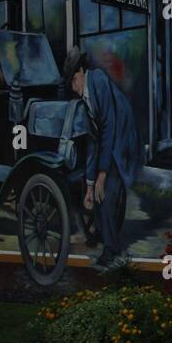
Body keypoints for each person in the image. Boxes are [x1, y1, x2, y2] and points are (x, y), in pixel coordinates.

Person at [62, 47, 142, 272]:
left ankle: (112, 250)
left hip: (123, 141)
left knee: (106, 194)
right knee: (96, 191)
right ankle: (102, 231)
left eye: (73, 80)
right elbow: (92, 144)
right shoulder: (85, 102)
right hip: (109, 140)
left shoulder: (97, 81)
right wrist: (89, 184)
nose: (72, 86)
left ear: (81, 72)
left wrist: (102, 175)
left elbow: (109, 128)